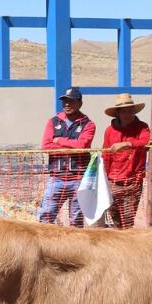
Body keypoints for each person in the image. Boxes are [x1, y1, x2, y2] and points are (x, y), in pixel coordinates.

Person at [37, 87, 96, 226]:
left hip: (78, 178)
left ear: (80, 103)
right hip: (56, 177)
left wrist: (59, 140)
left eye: (71, 101)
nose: (67, 104)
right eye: (64, 101)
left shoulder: (88, 124)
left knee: (76, 220)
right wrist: (72, 146)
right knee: (45, 217)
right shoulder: (53, 121)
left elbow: (82, 146)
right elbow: (46, 146)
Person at [98, 94, 151, 229]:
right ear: (118, 113)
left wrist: (128, 144)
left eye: (130, 111)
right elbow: (106, 155)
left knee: (127, 218)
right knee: (115, 215)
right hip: (113, 180)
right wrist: (105, 178)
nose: (127, 114)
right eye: (124, 111)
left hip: (133, 180)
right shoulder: (110, 131)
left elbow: (147, 142)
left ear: (134, 112)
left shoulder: (142, 127)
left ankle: (126, 238)